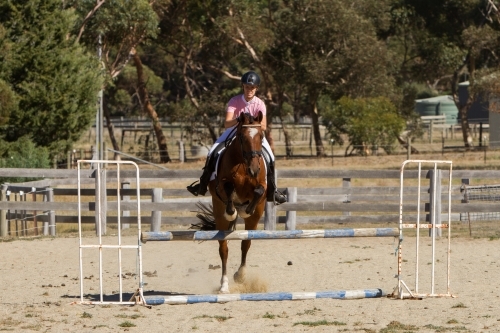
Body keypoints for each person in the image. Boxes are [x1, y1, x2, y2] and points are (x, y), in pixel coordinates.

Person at [187, 71, 287, 204]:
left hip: (254, 135)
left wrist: (250, 125)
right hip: (233, 131)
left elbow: (263, 126)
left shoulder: (260, 104)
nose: (249, 90)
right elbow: (227, 123)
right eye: (247, 87)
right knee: (213, 151)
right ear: (243, 87)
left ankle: (272, 190)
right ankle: (202, 183)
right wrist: (238, 120)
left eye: (252, 88)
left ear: (256, 88)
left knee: (270, 157)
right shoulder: (234, 101)